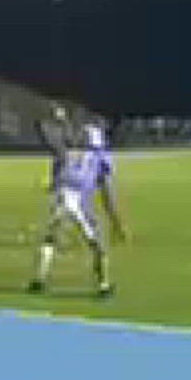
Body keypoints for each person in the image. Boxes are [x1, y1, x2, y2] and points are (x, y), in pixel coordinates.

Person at [29, 105, 126, 297]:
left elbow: (53, 142)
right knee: (97, 242)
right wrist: (115, 220)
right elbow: (106, 187)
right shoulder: (99, 155)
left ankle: (39, 278)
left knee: (51, 236)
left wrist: (59, 120)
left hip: (61, 193)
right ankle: (103, 285)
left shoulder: (70, 146)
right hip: (77, 196)